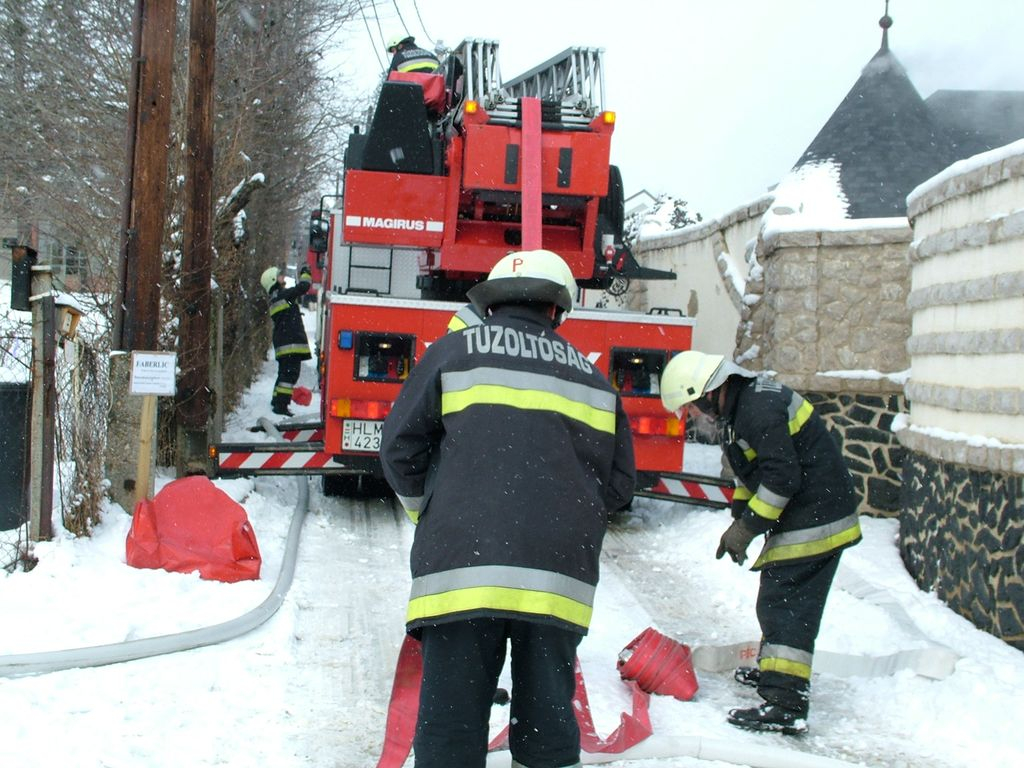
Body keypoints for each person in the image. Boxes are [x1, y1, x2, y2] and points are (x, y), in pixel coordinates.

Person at [380, 249, 636, 768]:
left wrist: (428, 511)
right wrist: (563, 517)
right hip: (557, 580)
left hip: (461, 570)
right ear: (558, 311)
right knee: (547, 725)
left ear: (491, 303)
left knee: (451, 723)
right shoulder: (594, 381)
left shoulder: (453, 353)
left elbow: (400, 448)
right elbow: (619, 487)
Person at [660, 351, 862, 736]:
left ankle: (786, 703)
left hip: (818, 517)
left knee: (786, 604)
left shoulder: (757, 408)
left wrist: (747, 530)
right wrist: (740, 517)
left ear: (706, 393)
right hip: (807, 512)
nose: (692, 418)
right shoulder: (739, 410)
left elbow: (782, 479)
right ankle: (776, 674)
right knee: (780, 597)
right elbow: (746, 472)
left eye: (690, 408)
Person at [260, 264, 312, 417]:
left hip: (285, 343)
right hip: (290, 344)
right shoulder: (283, 296)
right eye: (279, 275)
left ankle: (277, 401)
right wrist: (305, 273)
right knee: (289, 375)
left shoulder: (277, 297)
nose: (282, 277)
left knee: (284, 373)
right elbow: (303, 287)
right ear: (274, 280)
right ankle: (281, 406)